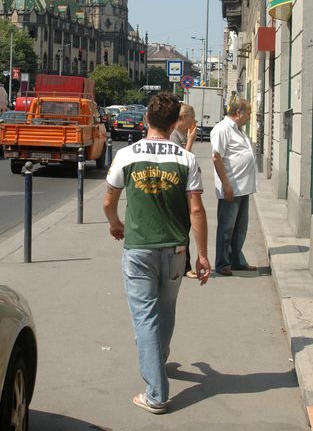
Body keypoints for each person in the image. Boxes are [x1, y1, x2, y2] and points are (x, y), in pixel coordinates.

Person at [103, 92, 211, 415]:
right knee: (165, 310)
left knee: (145, 318)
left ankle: (156, 393)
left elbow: (109, 201)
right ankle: (158, 358)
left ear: (147, 120)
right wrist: (202, 255)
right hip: (176, 249)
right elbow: (197, 210)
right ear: (175, 122)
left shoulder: (127, 154)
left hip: (139, 248)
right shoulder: (185, 159)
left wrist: (115, 223)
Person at [210, 98, 258, 276]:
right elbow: (216, 157)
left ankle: (237, 260)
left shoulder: (238, 130)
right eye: (248, 113)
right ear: (239, 113)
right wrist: (226, 185)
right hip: (231, 187)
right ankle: (222, 263)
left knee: (240, 227)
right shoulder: (222, 129)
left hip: (242, 187)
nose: (249, 117)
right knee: (227, 227)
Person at [170, 104, 198, 279]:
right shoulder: (174, 136)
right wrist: (190, 141)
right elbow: (180, 163)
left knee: (184, 229)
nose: (194, 122)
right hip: (177, 191)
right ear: (184, 118)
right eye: (192, 118)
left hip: (183, 189)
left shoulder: (180, 134)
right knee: (181, 230)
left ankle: (183, 265)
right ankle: (183, 267)